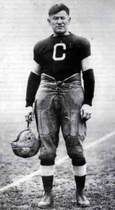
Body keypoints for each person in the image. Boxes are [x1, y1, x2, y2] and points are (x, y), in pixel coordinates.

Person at [25, 3, 95, 208]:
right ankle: (47, 194)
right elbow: (33, 76)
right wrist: (28, 104)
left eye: (63, 17)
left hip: (72, 92)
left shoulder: (81, 42)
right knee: (46, 150)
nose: (60, 21)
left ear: (69, 19)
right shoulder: (40, 45)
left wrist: (88, 102)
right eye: (55, 18)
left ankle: (80, 193)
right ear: (49, 21)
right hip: (46, 93)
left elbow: (88, 74)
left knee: (75, 148)